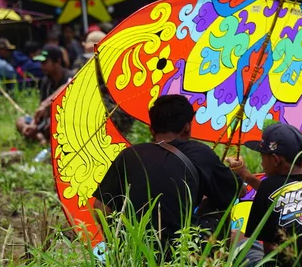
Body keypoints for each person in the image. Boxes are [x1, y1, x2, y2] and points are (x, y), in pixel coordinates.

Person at [93, 95, 243, 251]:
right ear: (187, 127)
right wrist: (237, 172)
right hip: (181, 255)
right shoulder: (200, 153)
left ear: (151, 129)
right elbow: (237, 192)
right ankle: (211, 262)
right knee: (221, 203)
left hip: (133, 251)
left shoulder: (129, 155)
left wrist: (119, 244)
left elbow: (100, 207)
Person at [226, 123, 302, 267]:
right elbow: (283, 191)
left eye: (262, 157)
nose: (261, 163)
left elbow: (269, 254)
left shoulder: (268, 187)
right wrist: (247, 176)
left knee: (239, 238)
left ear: (275, 160)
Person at [16, 45, 73, 145]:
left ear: (57, 61)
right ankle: (40, 137)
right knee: (21, 121)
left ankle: (42, 139)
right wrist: (34, 124)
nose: (42, 66)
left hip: (66, 120)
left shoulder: (70, 77)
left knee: (53, 125)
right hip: (47, 120)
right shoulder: (46, 81)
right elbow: (41, 110)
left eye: (45, 62)